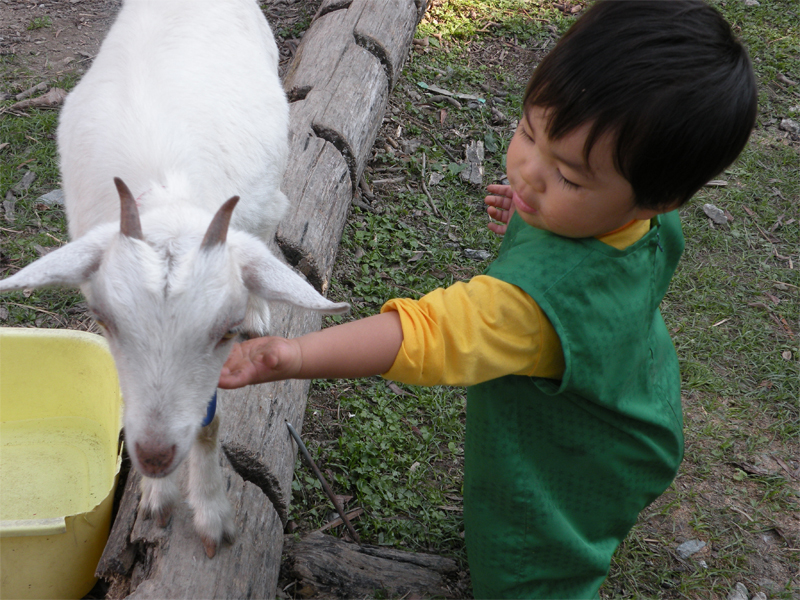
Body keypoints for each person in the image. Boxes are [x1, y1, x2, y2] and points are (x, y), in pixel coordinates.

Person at [219, 1, 757, 597]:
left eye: (569, 178)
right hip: (638, 400)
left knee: (528, 567)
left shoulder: (530, 309)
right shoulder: (631, 219)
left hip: (577, 457)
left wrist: (297, 357)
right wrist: (540, 215)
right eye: (529, 131)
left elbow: (428, 332)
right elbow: (598, 243)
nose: (527, 172)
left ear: (657, 199)